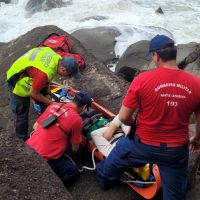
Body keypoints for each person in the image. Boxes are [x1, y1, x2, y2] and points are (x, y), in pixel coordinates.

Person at [96, 34, 200, 200]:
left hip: (143, 145)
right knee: (176, 192)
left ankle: (103, 179)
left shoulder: (142, 80)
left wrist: (131, 124)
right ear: (174, 54)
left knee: (118, 155)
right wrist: (196, 139)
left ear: (156, 56)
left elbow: (123, 117)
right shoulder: (196, 84)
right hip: (175, 151)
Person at [7, 46, 81, 141]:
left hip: (32, 71)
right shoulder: (44, 73)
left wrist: (47, 94)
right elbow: (33, 93)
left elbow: (43, 76)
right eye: (69, 74)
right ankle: (22, 139)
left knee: (45, 99)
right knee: (21, 112)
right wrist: (54, 104)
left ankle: (45, 124)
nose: (69, 77)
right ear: (63, 70)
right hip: (17, 78)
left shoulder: (56, 58)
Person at [26, 91, 92, 188]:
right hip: (44, 158)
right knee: (72, 172)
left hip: (29, 147)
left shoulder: (55, 105)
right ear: (84, 106)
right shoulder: (77, 120)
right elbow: (75, 148)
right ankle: (51, 188)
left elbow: (35, 126)